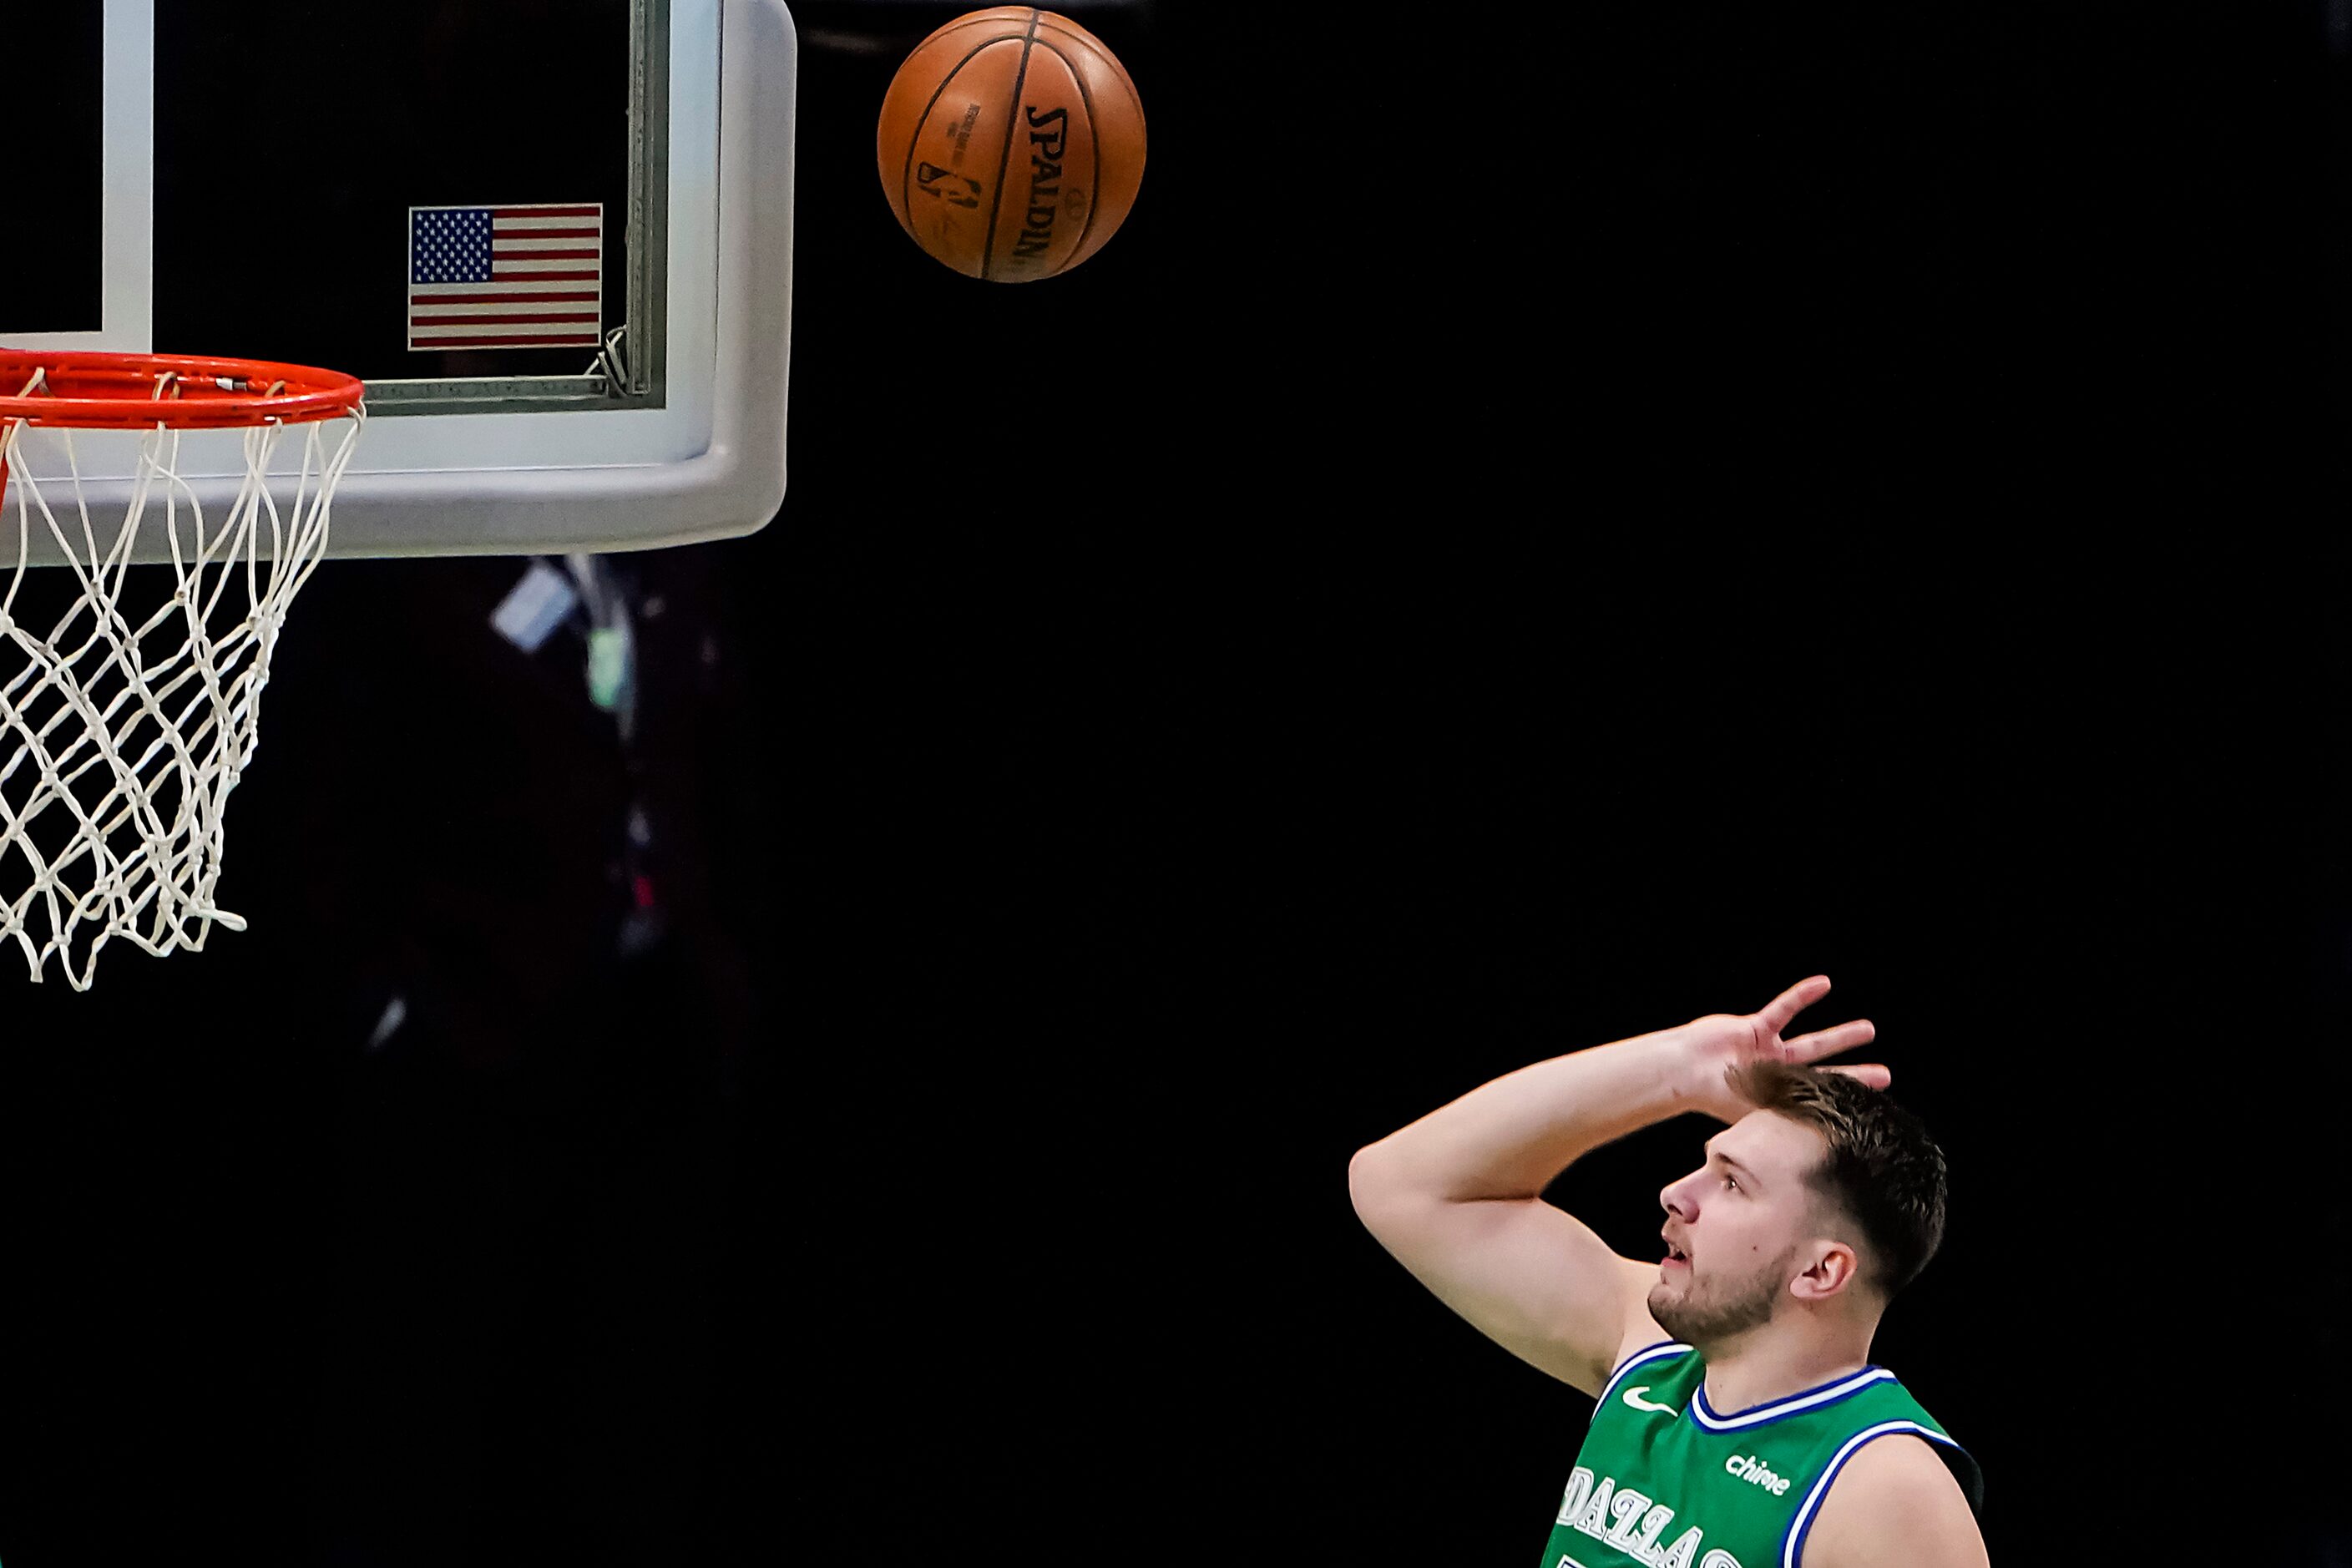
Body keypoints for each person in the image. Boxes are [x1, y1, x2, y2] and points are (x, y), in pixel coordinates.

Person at [1348, 975, 1987, 1566]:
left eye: (1733, 1184)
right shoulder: (1650, 1356)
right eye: (1705, 1164)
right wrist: (1675, 1071)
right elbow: (1398, 1186)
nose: (1676, 1193)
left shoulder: (1883, 1487)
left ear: (1820, 1272)